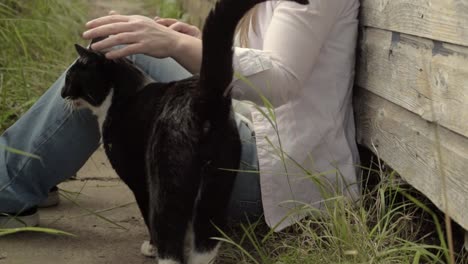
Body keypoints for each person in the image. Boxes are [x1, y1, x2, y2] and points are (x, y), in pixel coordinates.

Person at [0, 0, 360, 232]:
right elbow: (271, 63)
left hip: (273, 180)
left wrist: (177, 46)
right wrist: (195, 43)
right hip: (251, 149)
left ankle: (10, 184)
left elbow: (281, 81)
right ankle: (22, 177)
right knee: (128, 47)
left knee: (124, 54)